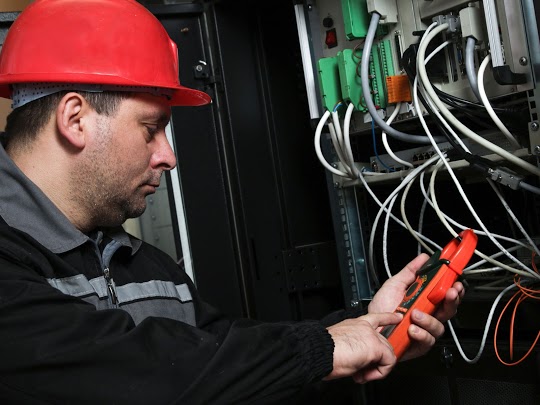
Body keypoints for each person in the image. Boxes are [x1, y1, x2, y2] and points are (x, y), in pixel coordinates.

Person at [0, 0, 464, 403]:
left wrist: (368, 326)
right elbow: (134, 373)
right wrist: (322, 349)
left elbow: (222, 362)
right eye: (150, 129)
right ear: (76, 119)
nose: (168, 156)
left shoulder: (147, 269)